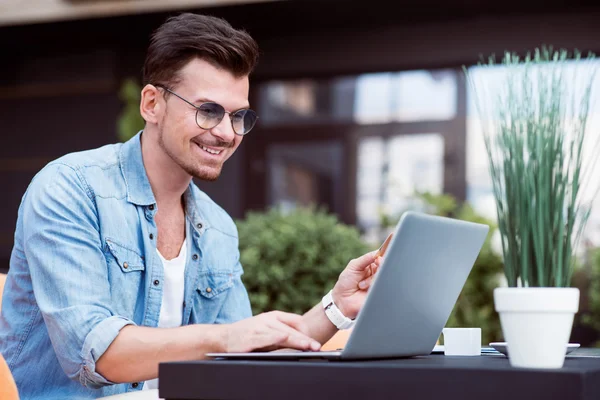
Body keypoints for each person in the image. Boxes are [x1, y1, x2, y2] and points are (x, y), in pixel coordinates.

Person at [0, 12, 381, 399]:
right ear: (152, 104)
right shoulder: (71, 188)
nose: (226, 132)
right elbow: (99, 354)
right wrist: (226, 338)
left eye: (239, 116)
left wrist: (337, 307)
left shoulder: (216, 226)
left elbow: (245, 358)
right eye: (208, 110)